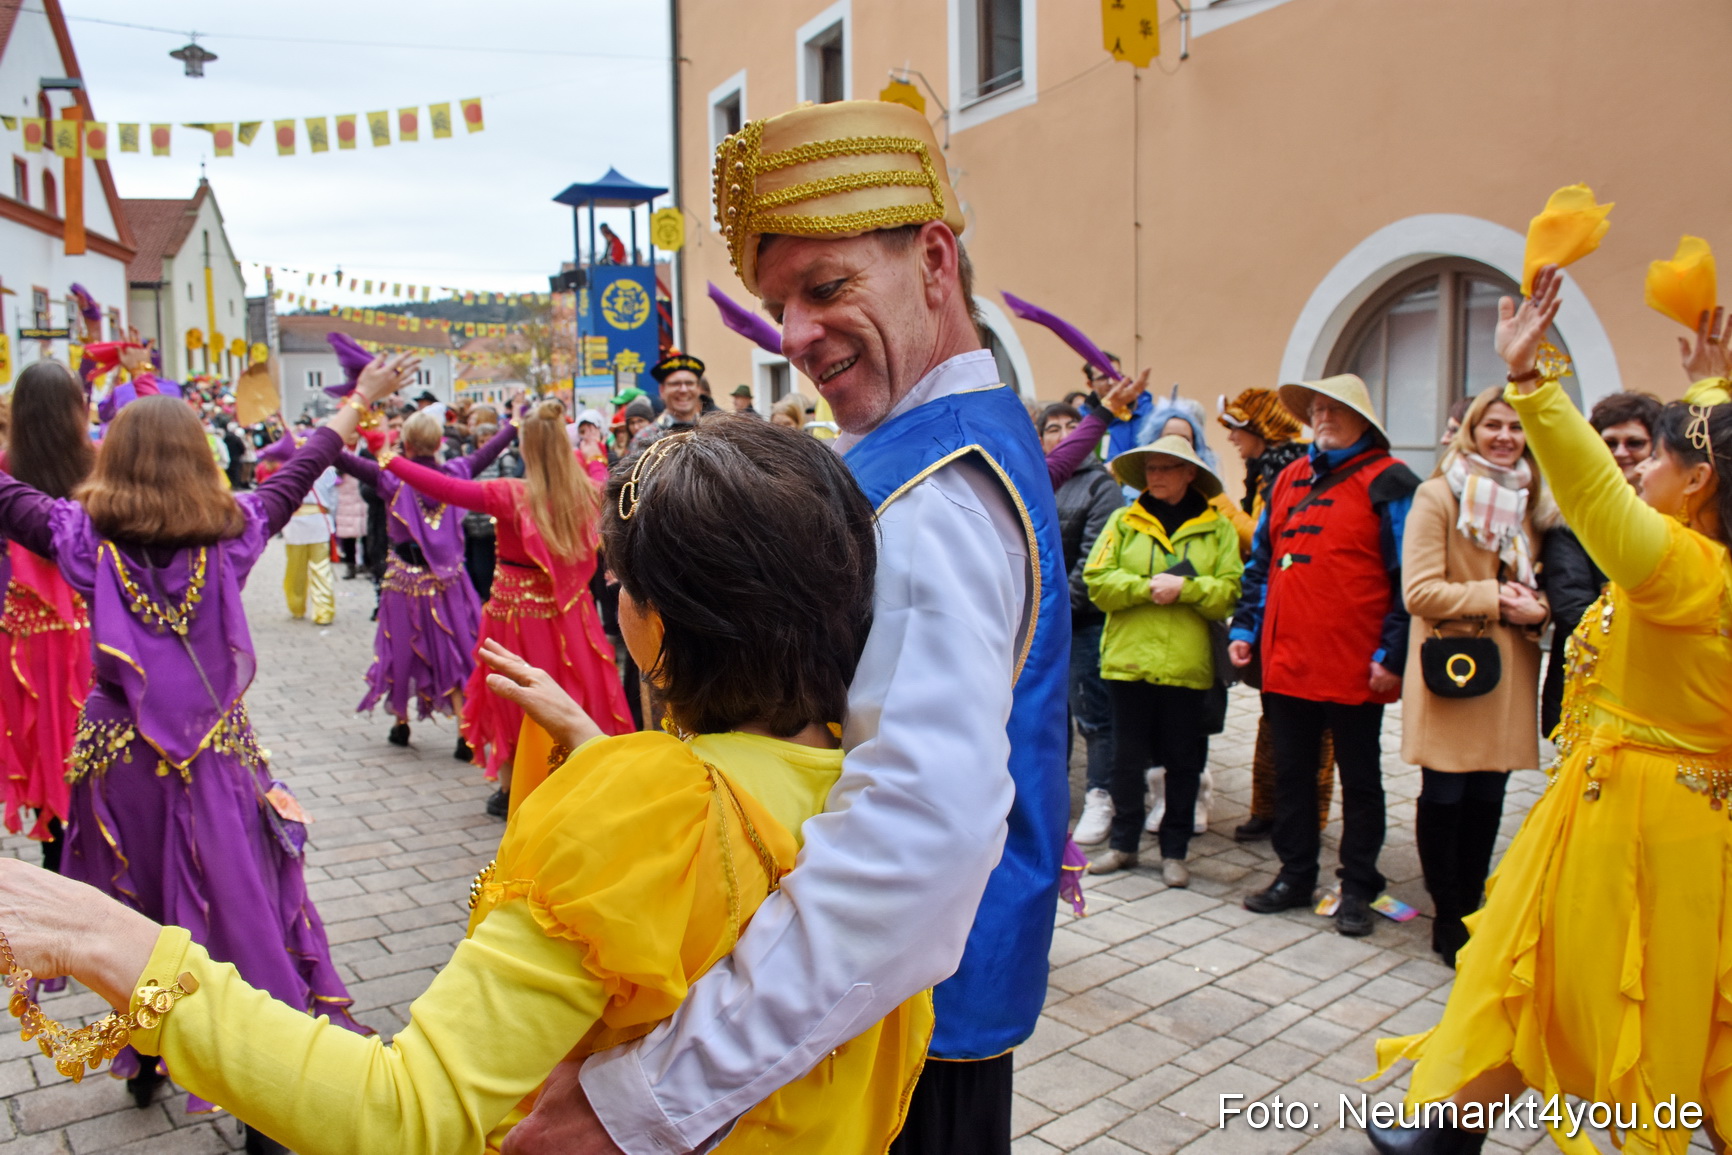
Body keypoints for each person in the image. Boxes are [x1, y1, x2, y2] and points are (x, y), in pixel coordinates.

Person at [0, 416, 934, 1155]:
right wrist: (609, 746)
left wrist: (120, 947)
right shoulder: (894, 793)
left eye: (621, 581)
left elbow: (405, 1114)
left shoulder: (650, 805)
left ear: (650, 625)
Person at [508, 98, 1067, 1155]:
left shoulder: (933, 496)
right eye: (780, 304)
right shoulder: (934, 444)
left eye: (828, 287)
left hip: (897, 1040)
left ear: (935, 263)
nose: (797, 335)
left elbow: (916, 837)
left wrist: (646, 1101)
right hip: (885, 1017)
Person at [0, 352, 414, 1149]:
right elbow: (305, 465)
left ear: (110, 458)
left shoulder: (80, 537)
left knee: (137, 906)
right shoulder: (235, 532)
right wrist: (359, 399)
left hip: (119, 770)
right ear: (200, 460)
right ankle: (269, 1103)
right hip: (214, 765)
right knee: (243, 912)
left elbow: (8, 493)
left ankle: (150, 1048)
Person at [1368, 265, 1732, 1155]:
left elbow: (1597, 498)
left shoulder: (1687, 572)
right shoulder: (1699, 552)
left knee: (1646, 994)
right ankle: (1457, 1119)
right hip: (1609, 803)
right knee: (1527, 957)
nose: (1639, 467)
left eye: (1658, 456)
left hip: (1655, 827)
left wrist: (1532, 382)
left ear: (1697, 483)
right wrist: (1711, 383)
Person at [376, 400, 634, 814]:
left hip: (514, 614)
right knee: (577, 686)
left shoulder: (511, 495)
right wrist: (595, 453)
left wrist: (389, 459)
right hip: (571, 613)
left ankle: (512, 785)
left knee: (514, 693)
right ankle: (583, 772)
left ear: (528, 448)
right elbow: (603, 476)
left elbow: (443, 488)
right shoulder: (588, 488)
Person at [1229, 374, 1418, 938]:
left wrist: (1394, 651)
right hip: (1288, 658)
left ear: (1364, 419)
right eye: (1317, 409)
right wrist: (1246, 625)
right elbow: (1261, 557)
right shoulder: (1288, 476)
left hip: (1358, 662)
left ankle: (1359, 884)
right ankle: (1295, 873)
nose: (1324, 417)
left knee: (1361, 780)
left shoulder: (1392, 483)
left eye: (1336, 409)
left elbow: (1409, 575)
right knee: (1293, 775)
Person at [1400, 387, 1554, 967]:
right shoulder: (1437, 495)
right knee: (1445, 792)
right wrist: (1494, 597)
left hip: (1509, 669)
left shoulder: (1535, 501)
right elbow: (1418, 592)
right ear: (1470, 430)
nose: (1505, 437)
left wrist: (1539, 611)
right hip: (1453, 666)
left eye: (1516, 428)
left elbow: (1542, 585)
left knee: (1490, 792)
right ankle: (1447, 913)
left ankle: (1470, 905)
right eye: (1493, 424)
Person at [1083, 435, 1242, 883]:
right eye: (1150, 469)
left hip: (1186, 664)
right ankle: (1124, 845)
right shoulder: (1123, 520)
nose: (1156, 477)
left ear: (1190, 474)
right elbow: (1098, 581)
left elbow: (1230, 591)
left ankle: (1175, 851)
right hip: (1128, 660)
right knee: (1126, 759)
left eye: (1166, 469)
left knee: (1182, 761)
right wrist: (1147, 587)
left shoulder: (1218, 528)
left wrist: (1187, 589)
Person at [336, 408, 519, 755]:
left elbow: (344, 461)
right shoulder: (456, 472)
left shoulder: (391, 478)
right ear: (439, 443)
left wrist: (334, 430)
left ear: (405, 443)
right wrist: (513, 425)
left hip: (404, 582)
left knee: (401, 650)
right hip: (449, 582)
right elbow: (487, 452)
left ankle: (401, 723)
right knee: (455, 650)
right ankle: (464, 733)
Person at [1215, 387, 1334, 843]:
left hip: (1299, 616)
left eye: (1238, 428)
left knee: (1312, 729)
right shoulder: (1265, 469)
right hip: (1267, 612)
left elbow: (1261, 538)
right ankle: (1270, 807)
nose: (1231, 438)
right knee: (1274, 717)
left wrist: (1223, 508)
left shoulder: (1289, 471)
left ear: (1261, 430)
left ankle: (1302, 816)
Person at [0, 360, 96, 867]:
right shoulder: (99, 464)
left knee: (41, 746)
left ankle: (56, 850)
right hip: (95, 631)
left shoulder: (5, 468)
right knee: (98, 746)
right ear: (76, 410)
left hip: (26, 641)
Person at [1538, 388, 1661, 736]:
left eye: (1635, 443)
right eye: (1610, 442)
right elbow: (1573, 607)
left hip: (1663, 693)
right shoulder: (1571, 515)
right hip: (1590, 685)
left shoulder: (1677, 515)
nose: (1622, 453)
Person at [1040, 402, 1126, 846]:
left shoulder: (1100, 485)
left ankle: (1100, 796)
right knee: (1054, 717)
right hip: (1043, 622)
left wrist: (1055, 611)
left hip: (1082, 622)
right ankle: (1060, 799)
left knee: (1093, 713)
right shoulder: (1039, 481)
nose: (1062, 433)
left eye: (1071, 425)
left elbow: (1095, 557)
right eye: (1052, 427)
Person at [649, 352, 705, 436]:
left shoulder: (716, 433)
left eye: (689, 383)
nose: (683, 390)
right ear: (662, 390)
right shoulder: (647, 436)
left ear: (699, 388)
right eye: (675, 384)